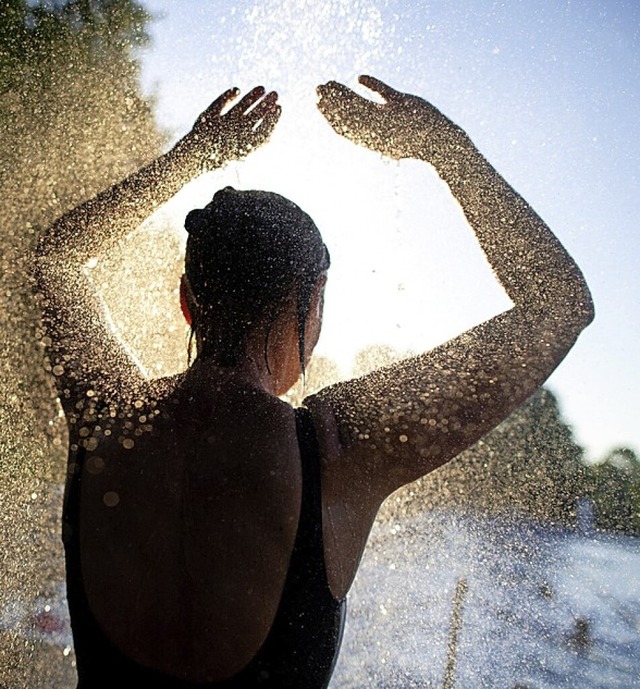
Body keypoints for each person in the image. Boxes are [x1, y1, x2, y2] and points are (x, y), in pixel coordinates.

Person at [35, 76, 593, 687]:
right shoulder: (338, 446)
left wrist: (191, 157)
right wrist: (440, 145)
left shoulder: (105, 414)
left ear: (187, 302)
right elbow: (557, 304)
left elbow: (56, 258)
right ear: (310, 306)